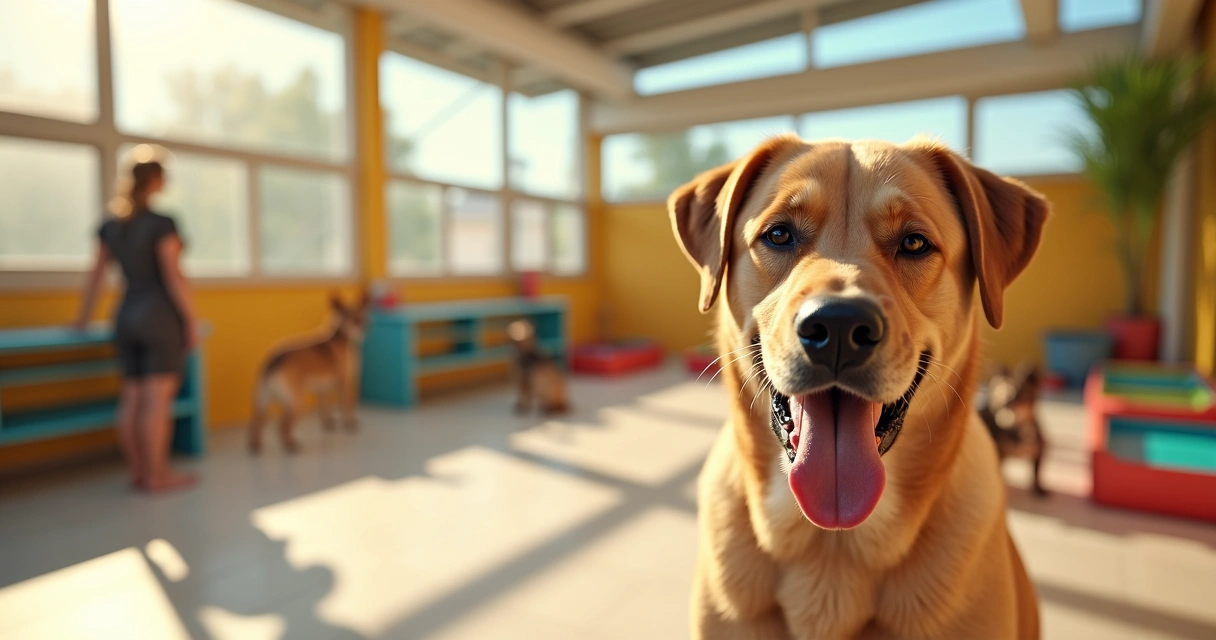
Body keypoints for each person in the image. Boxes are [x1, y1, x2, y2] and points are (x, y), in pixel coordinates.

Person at [74, 150, 199, 492]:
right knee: (157, 402)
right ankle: (159, 475)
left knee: (132, 397)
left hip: (125, 315)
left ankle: (138, 473)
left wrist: (82, 318)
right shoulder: (162, 223)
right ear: (156, 181)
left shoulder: (111, 225)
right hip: (158, 316)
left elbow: (96, 276)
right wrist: (191, 321)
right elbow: (173, 277)